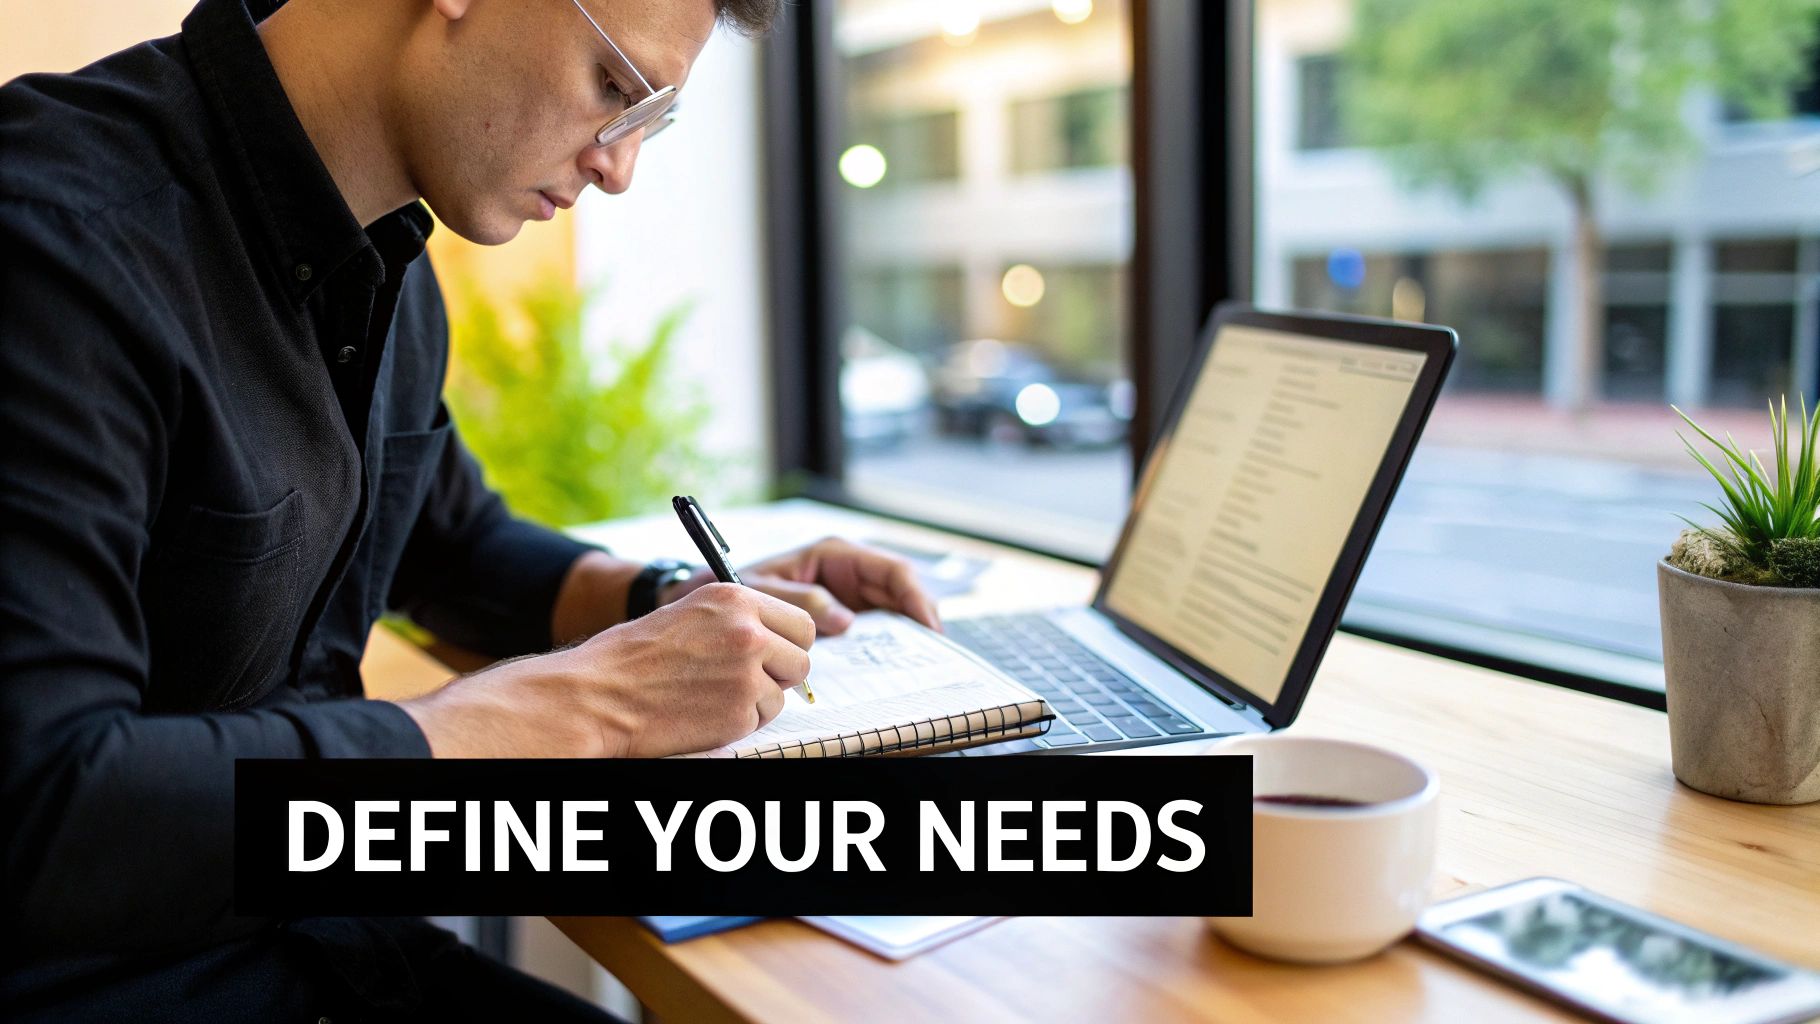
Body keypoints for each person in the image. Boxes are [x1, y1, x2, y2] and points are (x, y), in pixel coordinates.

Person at [0, 0, 942, 1018]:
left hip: (310, 938)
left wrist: (685, 608)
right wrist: (585, 707)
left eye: (649, 119)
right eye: (614, 88)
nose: (617, 167)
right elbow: (48, 808)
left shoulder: (384, 251)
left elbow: (449, 542)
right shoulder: (53, 242)